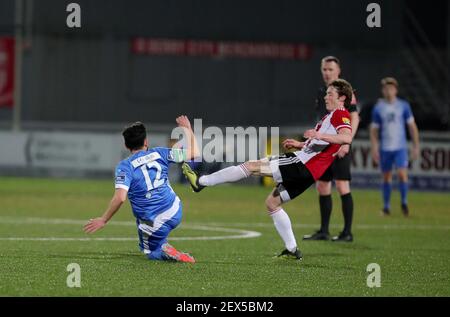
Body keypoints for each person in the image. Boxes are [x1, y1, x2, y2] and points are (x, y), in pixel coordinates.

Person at [182, 79, 354, 260]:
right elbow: (321, 145)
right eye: (326, 93)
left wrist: (318, 134)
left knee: (251, 166)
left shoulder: (340, 114)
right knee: (272, 203)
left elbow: (346, 138)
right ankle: (292, 248)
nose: (326, 97)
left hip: (301, 165)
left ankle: (201, 182)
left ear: (342, 97)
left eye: (330, 94)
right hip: (307, 172)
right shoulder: (329, 117)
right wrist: (301, 143)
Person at [84, 116, 200, 263]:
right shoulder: (160, 153)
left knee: (151, 252)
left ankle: (164, 250)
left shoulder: (125, 166)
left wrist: (104, 219)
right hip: (175, 209)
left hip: (155, 220)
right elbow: (195, 153)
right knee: (144, 222)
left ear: (126, 146)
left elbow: (120, 198)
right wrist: (188, 129)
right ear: (146, 142)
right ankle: (161, 242)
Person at [303, 56, 360, 242]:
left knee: (342, 186)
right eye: (324, 69)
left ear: (338, 71)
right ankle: (324, 231)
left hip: (339, 145)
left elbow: (354, 118)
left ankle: (347, 232)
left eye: (330, 69)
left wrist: (346, 142)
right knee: (322, 186)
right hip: (324, 146)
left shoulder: (345, 91)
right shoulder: (323, 92)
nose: (327, 72)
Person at [370, 77, 420, 216]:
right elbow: (374, 129)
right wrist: (374, 147)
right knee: (386, 177)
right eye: (386, 88)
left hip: (400, 148)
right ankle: (386, 207)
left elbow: (412, 126)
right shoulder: (378, 108)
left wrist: (416, 145)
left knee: (402, 174)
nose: (388, 91)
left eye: (391, 88)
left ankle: (404, 203)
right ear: (383, 90)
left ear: (396, 90)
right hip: (385, 147)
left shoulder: (403, 106)